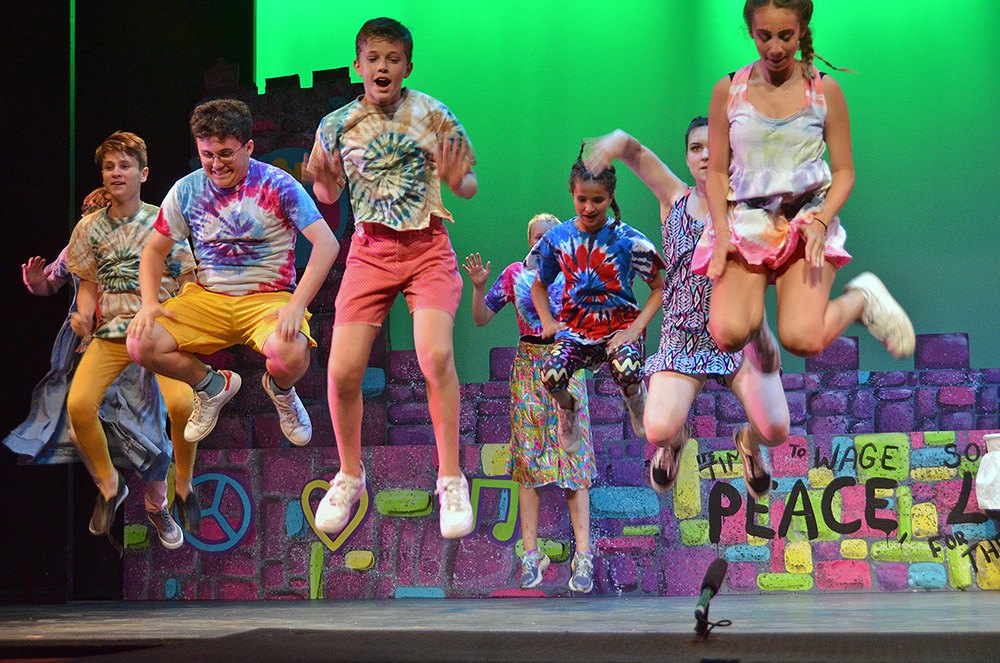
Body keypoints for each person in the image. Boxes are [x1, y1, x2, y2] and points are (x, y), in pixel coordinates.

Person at [127, 99, 339, 531]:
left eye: (226, 153)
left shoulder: (277, 184)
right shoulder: (187, 189)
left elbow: (327, 244)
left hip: (268, 298)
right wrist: (150, 303)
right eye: (207, 153)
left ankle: (281, 392)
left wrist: (297, 302)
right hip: (208, 298)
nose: (216, 163)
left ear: (248, 147)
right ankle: (211, 385)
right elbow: (153, 252)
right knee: (141, 341)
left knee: (290, 353)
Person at [305, 17, 476, 539]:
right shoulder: (336, 125)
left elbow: (467, 184)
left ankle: (450, 478)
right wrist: (326, 181)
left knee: (435, 357)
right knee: (341, 372)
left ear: (407, 66)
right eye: (373, 59)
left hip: (426, 247)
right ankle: (350, 474)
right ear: (358, 65)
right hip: (370, 251)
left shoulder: (434, 114)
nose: (383, 67)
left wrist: (455, 179)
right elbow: (328, 196)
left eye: (393, 59)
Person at [691, 0, 914, 366]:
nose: (775, 48)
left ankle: (862, 297)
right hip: (748, 219)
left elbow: (844, 172)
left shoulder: (824, 90)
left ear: (802, 31)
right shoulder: (728, 90)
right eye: (764, 36)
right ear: (751, 31)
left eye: (785, 36)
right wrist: (720, 231)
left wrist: (822, 221)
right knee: (728, 334)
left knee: (802, 339)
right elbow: (716, 172)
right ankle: (752, 313)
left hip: (805, 221)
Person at [583, 119, 790, 498]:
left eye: (713, 146)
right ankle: (674, 441)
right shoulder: (674, 199)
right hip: (684, 340)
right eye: (696, 148)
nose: (706, 154)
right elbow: (636, 152)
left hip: (739, 337)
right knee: (657, 429)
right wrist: (615, 139)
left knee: (776, 429)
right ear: (687, 157)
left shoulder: (747, 209)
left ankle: (749, 443)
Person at [7, 187, 184, 550]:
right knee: (77, 431)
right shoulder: (77, 248)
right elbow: (52, 283)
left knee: (153, 439)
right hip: (96, 353)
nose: (91, 221)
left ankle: (157, 506)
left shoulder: (145, 241)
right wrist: (37, 284)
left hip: (139, 353)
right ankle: (110, 487)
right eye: (87, 214)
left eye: (99, 213)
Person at [529, 148, 665, 588]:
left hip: (617, 332)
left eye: (597, 201)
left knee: (627, 370)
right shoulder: (558, 239)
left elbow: (661, 287)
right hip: (574, 334)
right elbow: (538, 285)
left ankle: (634, 399)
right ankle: (569, 407)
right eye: (582, 200)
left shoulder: (628, 239)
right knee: (550, 375)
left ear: (610, 199)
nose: (589, 209)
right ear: (572, 195)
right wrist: (549, 322)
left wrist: (636, 329)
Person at [63, 133, 197, 550]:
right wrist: (84, 310)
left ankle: (183, 490)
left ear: (143, 173)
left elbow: (189, 279)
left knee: (183, 405)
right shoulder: (88, 228)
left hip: (157, 336)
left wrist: (182, 316)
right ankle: (109, 487)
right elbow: (86, 283)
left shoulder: (162, 221)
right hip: (112, 337)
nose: (116, 173)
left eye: (125, 166)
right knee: (78, 407)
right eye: (109, 167)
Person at [463, 213, 596, 593]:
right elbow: (481, 318)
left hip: (566, 364)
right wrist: (478, 287)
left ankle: (583, 556)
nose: (539, 244)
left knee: (573, 456)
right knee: (527, 460)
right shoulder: (514, 275)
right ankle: (531, 554)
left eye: (546, 237)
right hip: (528, 369)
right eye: (534, 237)